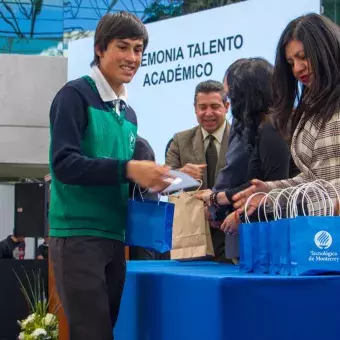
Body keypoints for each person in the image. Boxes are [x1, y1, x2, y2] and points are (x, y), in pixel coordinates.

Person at [49, 12, 171, 340]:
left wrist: (162, 176)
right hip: (77, 235)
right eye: (123, 47)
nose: (133, 58)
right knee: (93, 334)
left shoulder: (127, 112)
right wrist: (129, 169)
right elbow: (64, 164)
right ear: (100, 49)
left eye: (139, 49)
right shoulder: (74, 96)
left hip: (115, 237)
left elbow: (119, 175)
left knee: (105, 331)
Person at [232, 13, 340, 216]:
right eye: (291, 63)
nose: (298, 69)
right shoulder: (313, 107)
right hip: (321, 232)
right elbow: (314, 180)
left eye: (303, 56)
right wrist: (270, 192)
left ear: (326, 49)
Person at [197, 58, 291, 235]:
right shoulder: (264, 128)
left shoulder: (272, 130)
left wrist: (241, 215)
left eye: (231, 96)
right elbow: (256, 185)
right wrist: (217, 199)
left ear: (244, 97)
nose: (231, 106)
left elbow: (273, 189)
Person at [166, 80, 230, 261]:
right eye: (202, 107)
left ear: (226, 106)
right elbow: (162, 184)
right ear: (195, 109)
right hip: (192, 237)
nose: (208, 113)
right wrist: (181, 175)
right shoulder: (180, 140)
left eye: (215, 106)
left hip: (232, 234)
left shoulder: (241, 139)